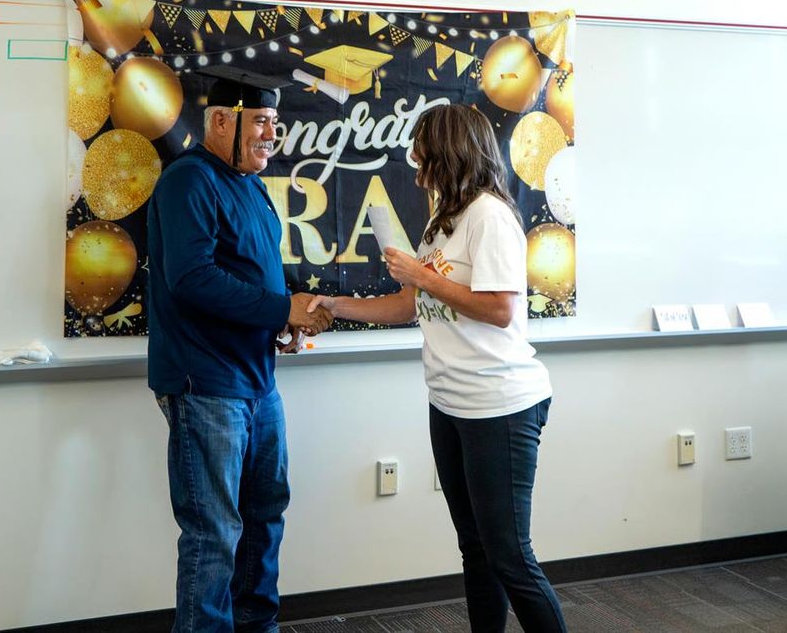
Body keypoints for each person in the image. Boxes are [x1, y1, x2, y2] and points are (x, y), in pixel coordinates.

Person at [308, 104, 567, 632]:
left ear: (450, 152)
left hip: (501, 406)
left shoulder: (489, 216)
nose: (416, 161)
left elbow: (499, 309)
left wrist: (424, 278)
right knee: (475, 549)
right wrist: (335, 308)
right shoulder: (442, 221)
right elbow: (409, 307)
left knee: (511, 558)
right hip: (450, 403)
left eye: (423, 150)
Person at [147, 65, 333, 633]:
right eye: (263, 123)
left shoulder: (251, 186)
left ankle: (258, 627)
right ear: (223, 121)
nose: (271, 136)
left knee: (265, 515)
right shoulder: (188, 181)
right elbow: (192, 279)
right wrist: (282, 310)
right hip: (204, 384)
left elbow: (257, 274)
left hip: (258, 380)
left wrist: (281, 325)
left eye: (275, 125)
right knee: (214, 531)